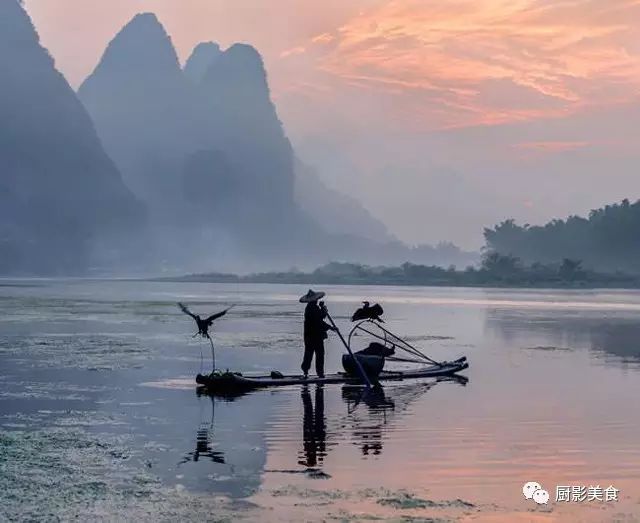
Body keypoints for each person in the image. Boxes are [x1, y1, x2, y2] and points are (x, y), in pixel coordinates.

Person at [299, 289, 334, 378]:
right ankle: (317, 373)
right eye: (316, 299)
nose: (317, 300)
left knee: (310, 354)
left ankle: (308, 372)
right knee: (317, 354)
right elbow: (318, 321)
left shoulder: (313, 307)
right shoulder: (311, 308)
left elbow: (321, 316)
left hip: (311, 336)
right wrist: (330, 327)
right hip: (313, 336)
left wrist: (323, 308)